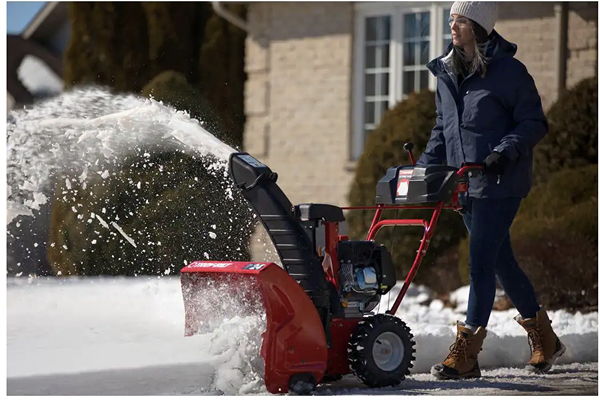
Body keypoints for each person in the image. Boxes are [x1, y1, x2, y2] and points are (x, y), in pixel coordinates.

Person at [416, 1, 566, 380]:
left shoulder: (509, 73)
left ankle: (466, 353)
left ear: (480, 28)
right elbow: (442, 131)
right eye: (452, 19)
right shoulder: (447, 73)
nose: (454, 26)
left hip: (501, 182)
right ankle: (546, 341)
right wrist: (420, 172)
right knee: (502, 263)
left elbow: (533, 121)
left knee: (480, 262)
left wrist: (505, 150)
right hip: (465, 184)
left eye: (461, 20)